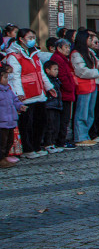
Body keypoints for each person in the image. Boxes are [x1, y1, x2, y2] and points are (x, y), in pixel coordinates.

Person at [4, 28, 54, 159]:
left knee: (40, 121)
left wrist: (48, 86)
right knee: (27, 124)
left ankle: (36, 146)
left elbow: (41, 72)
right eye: (30, 37)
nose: (32, 40)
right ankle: (28, 148)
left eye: (34, 37)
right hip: (26, 94)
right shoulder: (14, 56)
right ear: (21, 39)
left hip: (39, 92)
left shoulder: (34, 53)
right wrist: (18, 94)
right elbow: (14, 76)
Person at [71, 29, 99, 147]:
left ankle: (86, 134)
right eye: (89, 39)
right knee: (82, 112)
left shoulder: (90, 52)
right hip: (83, 85)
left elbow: (98, 63)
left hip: (93, 84)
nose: (91, 41)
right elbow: (81, 71)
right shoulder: (76, 54)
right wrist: (98, 71)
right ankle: (80, 136)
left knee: (90, 112)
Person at [51, 38, 79, 150]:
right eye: (65, 47)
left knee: (65, 118)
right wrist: (70, 87)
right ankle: (60, 141)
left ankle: (62, 140)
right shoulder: (58, 59)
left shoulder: (63, 59)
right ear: (59, 48)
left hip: (67, 92)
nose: (68, 49)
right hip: (64, 93)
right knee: (63, 119)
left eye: (68, 47)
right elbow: (62, 77)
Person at [0, 64, 25, 167]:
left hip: (11, 121)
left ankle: (5, 157)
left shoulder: (8, 90)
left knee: (9, 141)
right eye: (5, 77)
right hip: (2, 122)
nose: (7, 80)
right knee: (2, 142)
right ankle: (1, 159)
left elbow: (15, 100)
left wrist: (20, 106)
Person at [42, 59, 67, 154]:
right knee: (50, 125)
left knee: (56, 125)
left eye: (57, 69)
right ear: (47, 70)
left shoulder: (56, 80)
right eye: (54, 69)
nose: (57, 71)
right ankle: (48, 143)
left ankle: (52, 142)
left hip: (56, 105)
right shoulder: (48, 81)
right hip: (50, 105)